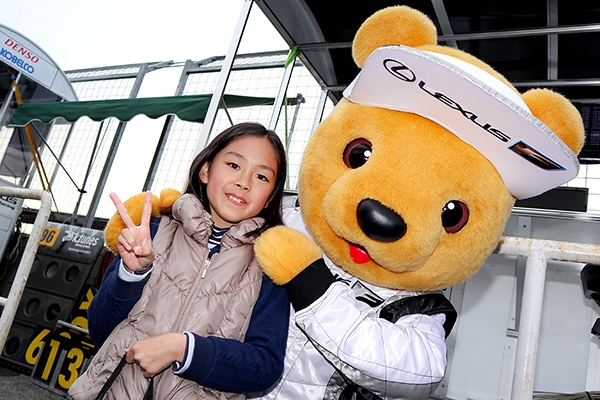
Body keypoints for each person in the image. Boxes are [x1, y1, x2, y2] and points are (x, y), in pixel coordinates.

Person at [68, 122, 290, 400]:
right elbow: (98, 330)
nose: (244, 182)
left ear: (270, 198)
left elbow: (266, 367)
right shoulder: (153, 233)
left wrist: (185, 349)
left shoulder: (270, 266)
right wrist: (130, 276)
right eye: (234, 165)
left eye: (261, 177)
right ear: (205, 170)